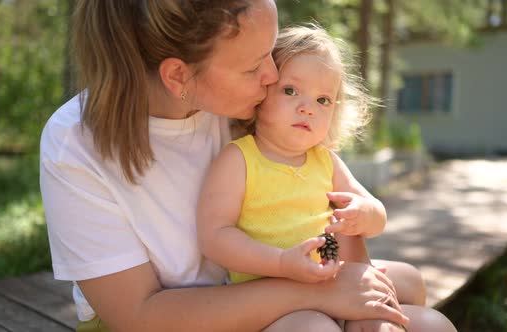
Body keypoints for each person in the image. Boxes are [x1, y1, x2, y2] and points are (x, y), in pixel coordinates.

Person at [39, 1, 456, 331]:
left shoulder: (253, 107)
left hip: (290, 293)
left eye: (271, 54)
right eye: (255, 64)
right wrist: (320, 294)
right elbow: (140, 317)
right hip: (176, 323)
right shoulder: (74, 143)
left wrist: (349, 273)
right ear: (178, 77)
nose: (273, 76)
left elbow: (322, 200)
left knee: (424, 312)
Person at [197, 25, 454, 332]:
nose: (307, 108)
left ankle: (362, 321)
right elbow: (214, 236)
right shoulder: (239, 158)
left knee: (413, 284)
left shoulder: (325, 161)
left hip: (338, 280)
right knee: (316, 328)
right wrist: (281, 262)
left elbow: (377, 215)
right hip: (278, 300)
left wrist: (363, 213)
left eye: (323, 100)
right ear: (261, 94)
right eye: (290, 90)